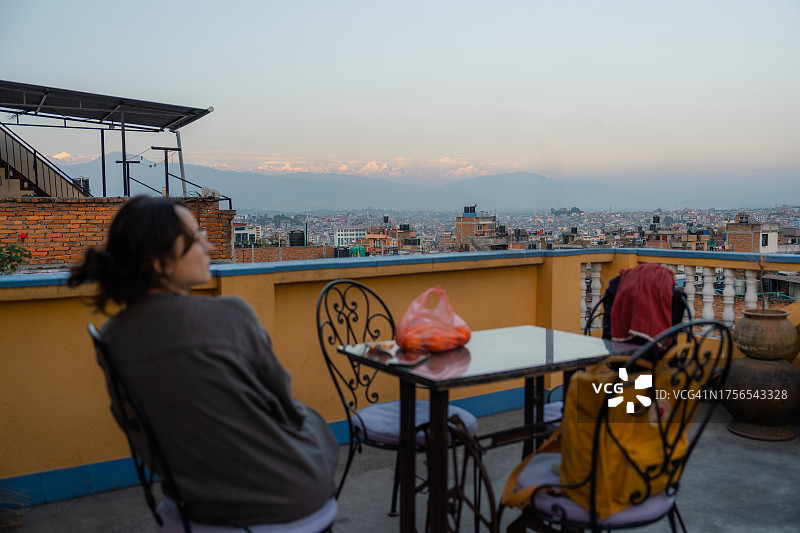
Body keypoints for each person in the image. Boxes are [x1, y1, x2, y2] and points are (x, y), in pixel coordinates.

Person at [68, 196, 339, 530]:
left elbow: (141, 434)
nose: (209, 247)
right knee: (313, 421)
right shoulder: (229, 314)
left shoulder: (111, 338)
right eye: (197, 238)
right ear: (159, 263)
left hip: (196, 504)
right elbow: (284, 405)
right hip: (285, 500)